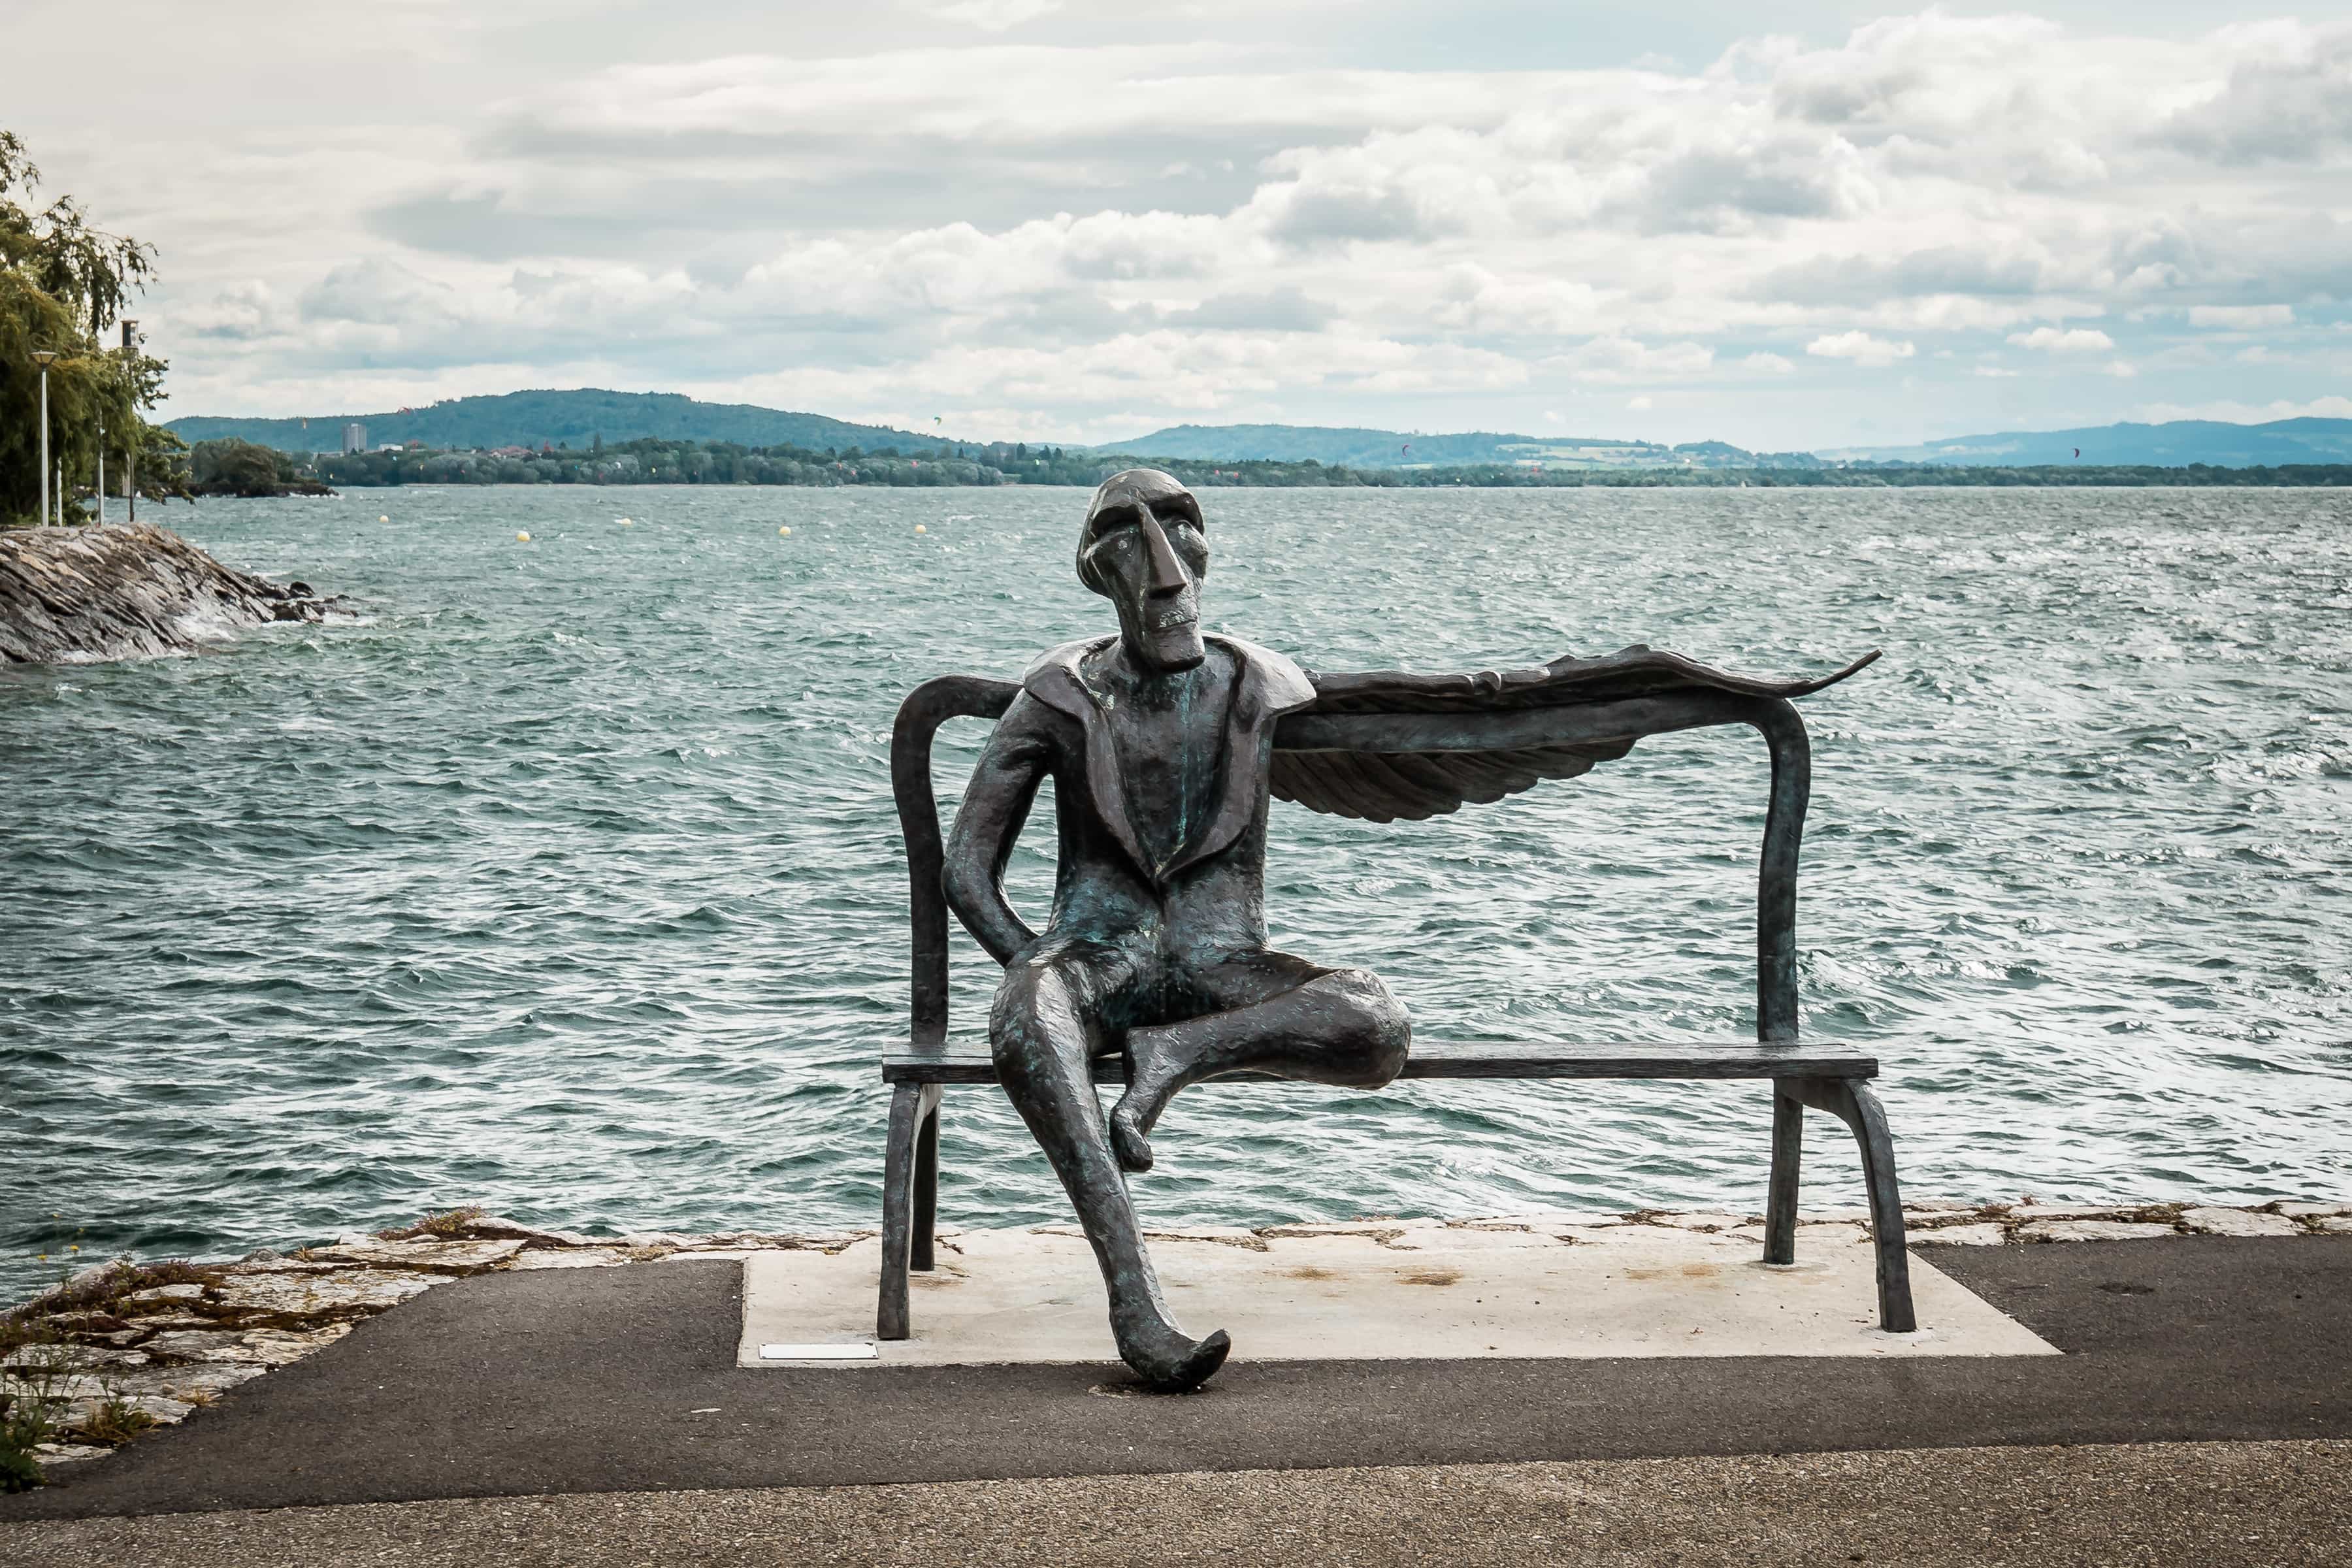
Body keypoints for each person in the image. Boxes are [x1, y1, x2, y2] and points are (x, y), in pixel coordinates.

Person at [942, 468, 1411, 1390]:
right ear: (1097, 573)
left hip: (1219, 966)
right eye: (1128, 538)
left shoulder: (1262, 688)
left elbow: (1464, 709)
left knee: (1375, 1023)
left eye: (1177, 531)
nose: (1161, 572)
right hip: (1093, 957)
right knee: (1028, 1017)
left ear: (1202, 555)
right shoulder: (1059, 695)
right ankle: (1137, 1307)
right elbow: (968, 871)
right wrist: (1041, 978)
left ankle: (1176, 1056)